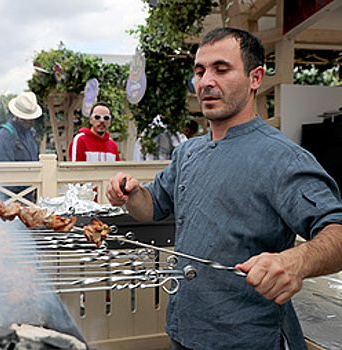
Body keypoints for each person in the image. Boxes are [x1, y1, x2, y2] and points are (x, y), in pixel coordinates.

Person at [106, 27, 342, 350]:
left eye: (221, 69)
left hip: (248, 338)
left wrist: (297, 261)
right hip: (183, 330)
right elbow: (152, 206)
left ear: (255, 78)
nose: (205, 82)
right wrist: (131, 195)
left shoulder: (282, 157)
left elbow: (337, 232)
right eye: (200, 72)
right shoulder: (188, 153)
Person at [0, 92, 42, 162]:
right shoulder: (5, 136)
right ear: (16, 114)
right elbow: (6, 169)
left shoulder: (32, 133)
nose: (28, 120)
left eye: (31, 118)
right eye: (24, 118)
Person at [133, 117, 198, 161]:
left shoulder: (182, 140)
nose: (188, 134)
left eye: (190, 133)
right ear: (184, 128)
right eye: (187, 131)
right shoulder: (169, 134)